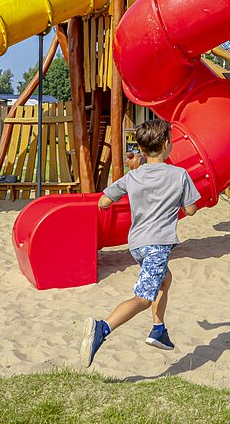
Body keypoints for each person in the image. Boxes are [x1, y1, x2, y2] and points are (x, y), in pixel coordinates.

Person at [81, 118, 201, 367]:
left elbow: (104, 201)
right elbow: (191, 210)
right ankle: (103, 328)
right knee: (144, 298)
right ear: (167, 144)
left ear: (142, 149)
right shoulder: (179, 175)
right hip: (158, 245)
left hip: (137, 245)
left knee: (164, 280)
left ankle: (158, 330)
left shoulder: (133, 176)